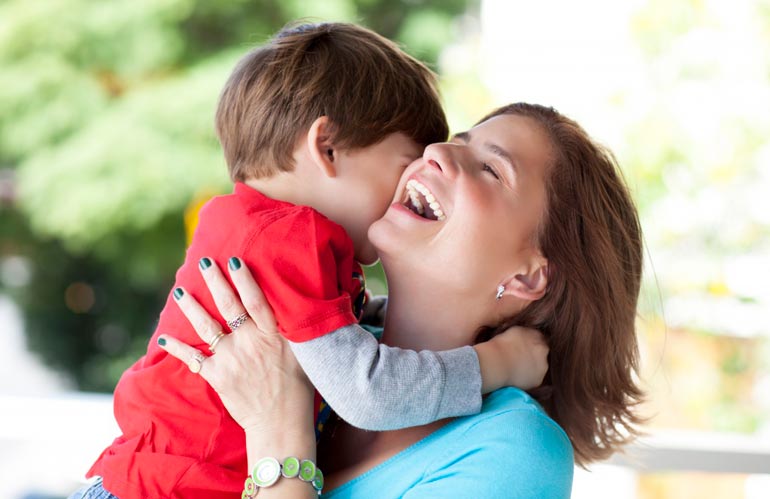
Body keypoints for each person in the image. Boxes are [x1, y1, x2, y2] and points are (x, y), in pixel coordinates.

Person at [77, 23, 548, 499]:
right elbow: (365, 393)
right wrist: (495, 363)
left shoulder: (258, 227)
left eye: (490, 169)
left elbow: (325, 338)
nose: (418, 173)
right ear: (326, 148)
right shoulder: (291, 238)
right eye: (403, 160)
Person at [157, 102, 645, 498]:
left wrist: (276, 433)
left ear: (527, 277)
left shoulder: (517, 451)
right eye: (456, 141)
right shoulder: (307, 344)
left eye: (492, 170)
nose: (435, 151)